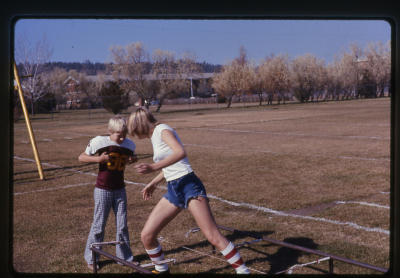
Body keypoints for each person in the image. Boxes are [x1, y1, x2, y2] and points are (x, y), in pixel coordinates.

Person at [127, 107, 250, 274]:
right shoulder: (154, 136)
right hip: (174, 188)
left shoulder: (162, 130)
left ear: (139, 125)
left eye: (134, 131)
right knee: (147, 236)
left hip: (189, 185)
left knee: (213, 236)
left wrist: (153, 167)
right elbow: (172, 163)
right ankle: (162, 270)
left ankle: (243, 271)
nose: (135, 135)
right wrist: (153, 182)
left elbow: (180, 152)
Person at [79, 115, 136, 271]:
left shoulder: (129, 144)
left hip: (120, 189)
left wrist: (132, 160)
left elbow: (128, 158)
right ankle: (91, 258)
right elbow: (81, 157)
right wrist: (98, 160)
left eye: (125, 134)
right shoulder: (100, 141)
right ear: (110, 131)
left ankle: (124, 257)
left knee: (122, 225)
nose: (122, 137)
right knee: (98, 225)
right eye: (119, 134)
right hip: (103, 189)